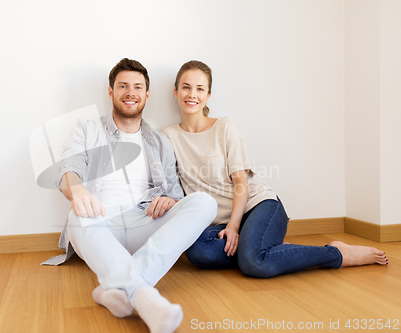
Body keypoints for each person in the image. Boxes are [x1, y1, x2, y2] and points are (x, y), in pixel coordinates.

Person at [161, 60, 388, 278]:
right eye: (186, 87)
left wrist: (233, 225)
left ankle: (336, 254)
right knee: (198, 252)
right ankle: (265, 247)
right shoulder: (168, 136)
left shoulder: (224, 127)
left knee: (254, 263)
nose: (192, 94)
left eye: (200, 89)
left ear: (208, 95)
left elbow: (241, 182)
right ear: (176, 91)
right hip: (216, 224)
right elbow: (171, 185)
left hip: (257, 205)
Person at [43, 58, 217, 333]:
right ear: (110, 92)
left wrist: (170, 201)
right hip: (98, 220)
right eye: (122, 86)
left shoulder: (160, 141)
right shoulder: (87, 129)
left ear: (147, 94)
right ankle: (146, 298)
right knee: (75, 215)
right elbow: (69, 167)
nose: (130, 92)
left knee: (204, 202)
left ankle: (119, 290)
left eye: (137, 87)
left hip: (143, 221)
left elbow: (173, 192)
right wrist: (76, 189)